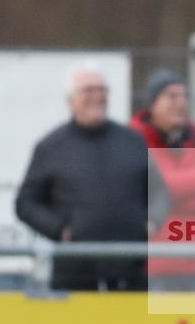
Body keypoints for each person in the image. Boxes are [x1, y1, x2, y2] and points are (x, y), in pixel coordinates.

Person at [15, 62, 169, 291]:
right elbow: (26, 203)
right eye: (88, 90)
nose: (96, 96)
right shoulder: (51, 147)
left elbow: (159, 191)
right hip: (74, 276)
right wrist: (61, 230)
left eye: (102, 90)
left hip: (130, 274)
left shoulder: (133, 141)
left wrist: (151, 222)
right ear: (70, 99)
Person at [130, 69, 195, 292]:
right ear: (152, 103)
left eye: (184, 96)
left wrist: (169, 194)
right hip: (153, 267)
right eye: (172, 96)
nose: (181, 102)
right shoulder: (133, 139)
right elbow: (148, 190)